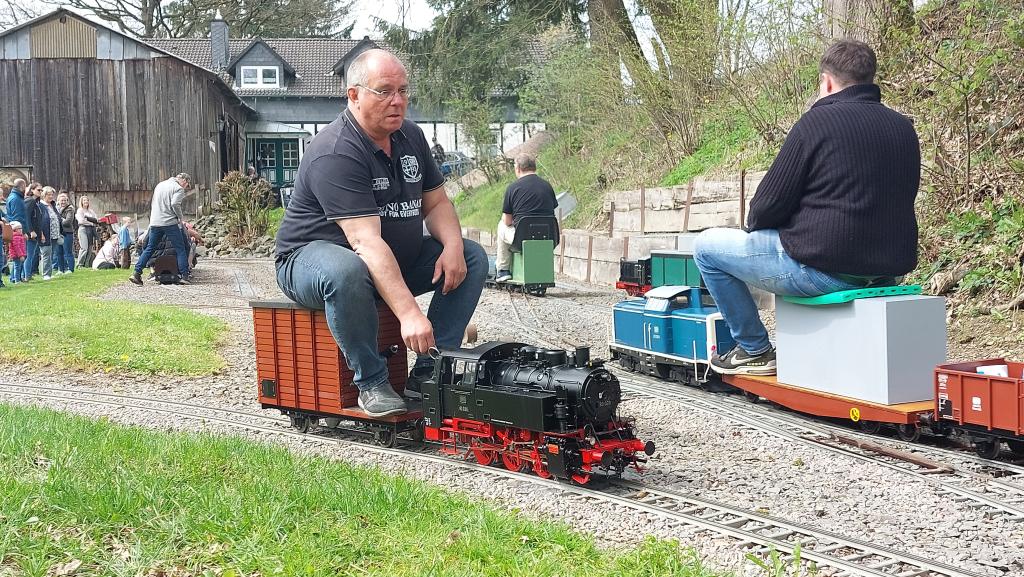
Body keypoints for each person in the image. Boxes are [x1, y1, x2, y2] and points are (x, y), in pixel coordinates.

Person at [274, 49, 487, 418]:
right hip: (310, 261)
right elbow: (365, 242)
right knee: (346, 270)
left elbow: (436, 204)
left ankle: (428, 372)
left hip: (384, 258)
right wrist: (409, 314)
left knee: (471, 255)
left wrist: (452, 244)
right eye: (385, 91)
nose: (398, 101)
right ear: (354, 95)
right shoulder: (336, 152)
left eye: (403, 90)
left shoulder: (411, 137)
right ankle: (371, 382)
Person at [693, 40, 921, 376]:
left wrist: (767, 226)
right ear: (870, 79)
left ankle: (754, 349)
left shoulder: (816, 123)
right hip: (890, 269)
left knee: (706, 249)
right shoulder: (904, 128)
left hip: (825, 271)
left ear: (827, 82)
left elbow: (765, 208)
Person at [494, 154, 558, 282]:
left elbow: (507, 221)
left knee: (501, 225)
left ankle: (503, 270)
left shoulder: (512, 188)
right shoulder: (547, 186)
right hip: (549, 237)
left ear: (517, 168)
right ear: (534, 167)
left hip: (521, 238)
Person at [130, 173, 192, 286]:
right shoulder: (178, 189)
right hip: (169, 222)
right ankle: (184, 276)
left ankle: (136, 273)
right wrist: (180, 217)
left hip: (155, 222)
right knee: (180, 248)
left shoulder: (160, 185)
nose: (185, 187)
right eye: (187, 185)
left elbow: (154, 203)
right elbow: (175, 204)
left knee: (150, 248)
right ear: (184, 181)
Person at [39, 186, 62, 280]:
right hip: (46, 233)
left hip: (54, 234)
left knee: (51, 254)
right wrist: (41, 233)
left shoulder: (53, 205)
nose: (51, 196)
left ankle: (49, 272)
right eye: (49, 194)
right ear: (44, 195)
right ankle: (45, 274)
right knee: (46, 253)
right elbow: (39, 221)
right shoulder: (41, 206)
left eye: (52, 194)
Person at [23, 183, 42, 281]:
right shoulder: (30, 201)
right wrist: (31, 231)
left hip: (36, 232)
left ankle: (27, 274)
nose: (40, 192)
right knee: (29, 255)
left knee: (31, 254)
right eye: (39, 190)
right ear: (32, 190)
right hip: (31, 233)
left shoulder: (36, 202)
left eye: (41, 190)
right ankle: (27, 276)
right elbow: (26, 217)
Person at [56, 191, 76, 273]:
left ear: (67, 201)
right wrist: (61, 220)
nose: (63, 202)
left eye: (65, 200)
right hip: (58, 233)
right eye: (61, 200)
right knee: (59, 252)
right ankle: (61, 269)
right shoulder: (56, 209)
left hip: (67, 233)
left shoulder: (70, 209)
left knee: (68, 252)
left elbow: (68, 222)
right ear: (58, 201)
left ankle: (70, 269)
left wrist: (59, 221)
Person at [76, 195, 99, 268]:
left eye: (87, 200)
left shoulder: (91, 211)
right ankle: (80, 264)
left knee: (90, 248)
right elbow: (81, 221)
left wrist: (89, 220)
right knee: (84, 248)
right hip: (83, 229)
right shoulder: (80, 210)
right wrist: (91, 222)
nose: (86, 201)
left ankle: (86, 264)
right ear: (81, 202)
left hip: (91, 230)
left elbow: (96, 220)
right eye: (84, 200)